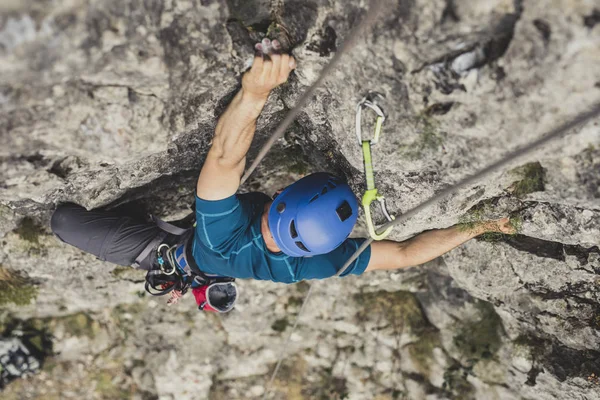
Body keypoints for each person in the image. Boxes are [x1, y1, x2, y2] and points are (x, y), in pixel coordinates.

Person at [51, 38, 515, 309]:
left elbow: (226, 156)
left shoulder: (224, 234)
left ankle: (140, 217)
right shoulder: (318, 261)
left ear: (280, 196)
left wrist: (255, 91)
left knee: (63, 222)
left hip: (177, 252)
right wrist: (480, 226)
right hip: (192, 258)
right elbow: (409, 253)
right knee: (65, 225)